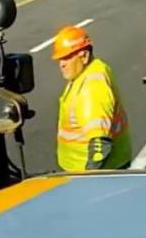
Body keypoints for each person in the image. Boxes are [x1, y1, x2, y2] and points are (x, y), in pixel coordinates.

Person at [51, 26, 132, 171]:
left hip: (94, 174)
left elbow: (100, 145)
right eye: (60, 59)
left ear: (84, 56)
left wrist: (88, 178)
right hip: (81, 170)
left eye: (67, 57)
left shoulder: (92, 87)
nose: (62, 64)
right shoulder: (86, 73)